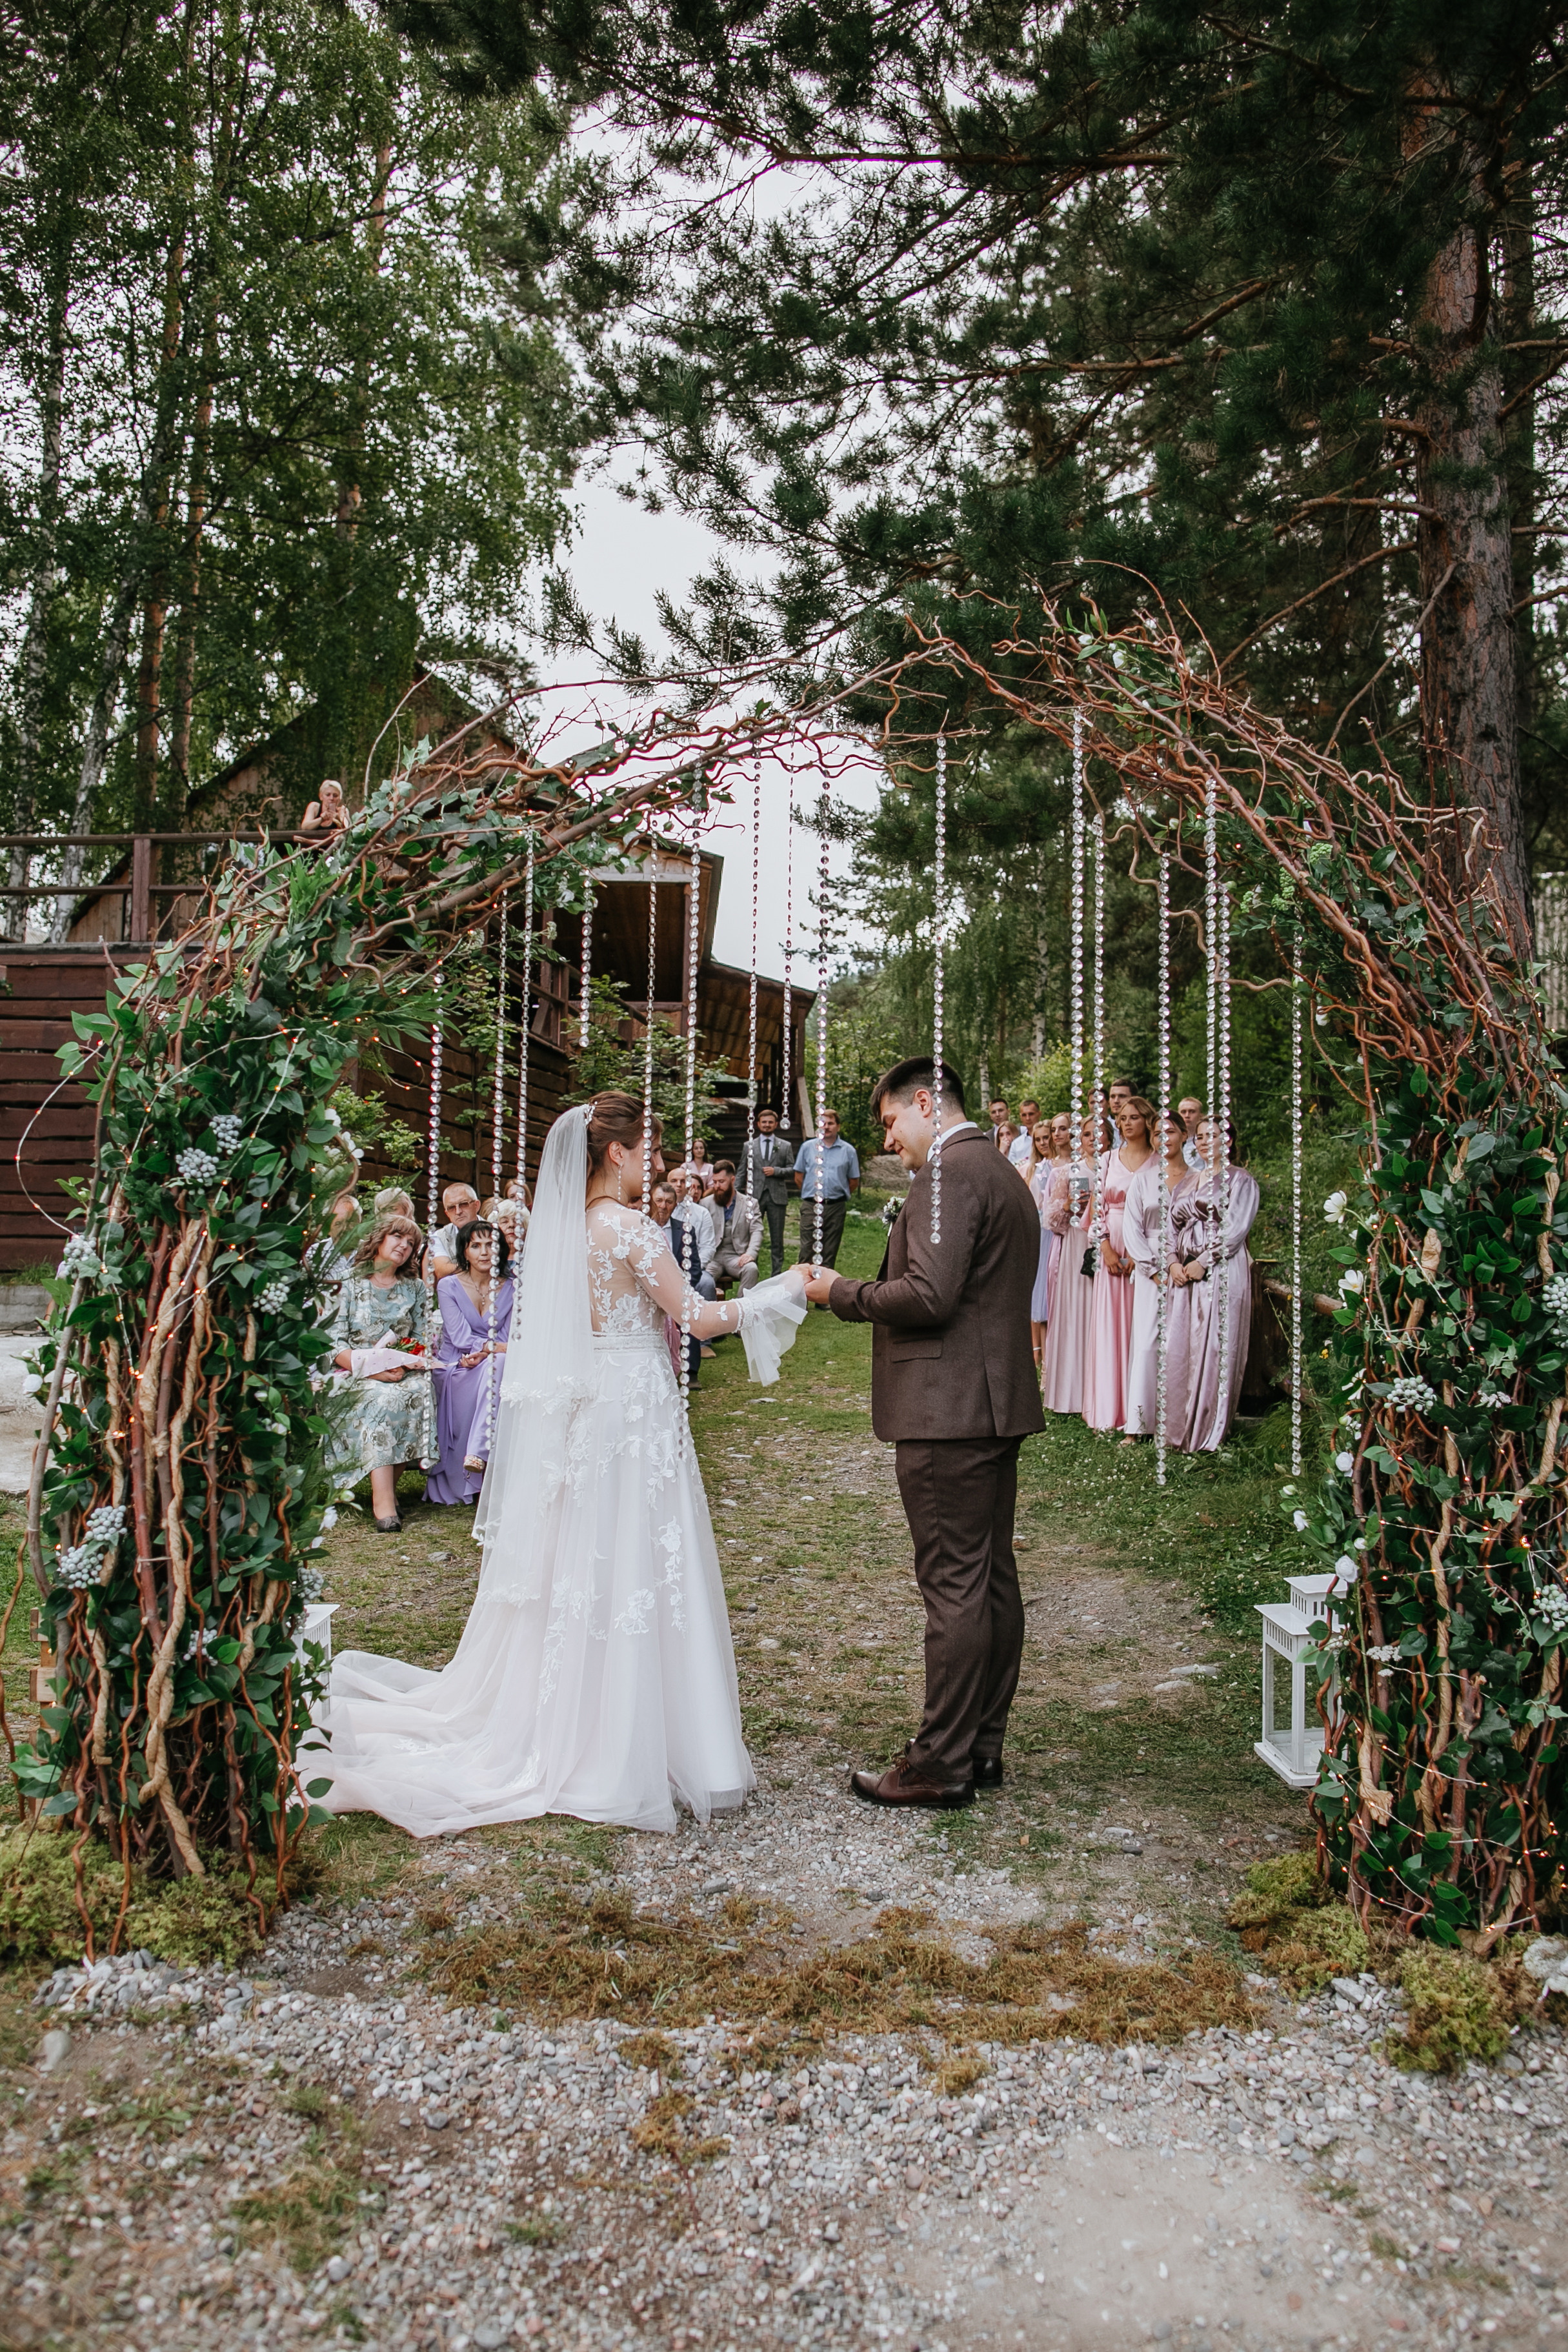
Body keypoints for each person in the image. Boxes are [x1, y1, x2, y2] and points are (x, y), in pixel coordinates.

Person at [315, 1092, 808, 1836]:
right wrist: (786, 1289)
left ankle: (587, 1717)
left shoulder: (560, 1233)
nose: (655, 1162)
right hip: (633, 1405)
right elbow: (700, 1318)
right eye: (648, 1149)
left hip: (588, 1406)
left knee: (586, 1553)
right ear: (616, 1152)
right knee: (639, 1551)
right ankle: (630, 1742)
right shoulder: (630, 1228)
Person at [802, 1058, 1044, 1809]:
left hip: (949, 1413)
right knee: (989, 1578)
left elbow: (930, 1294)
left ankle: (940, 1764)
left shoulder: (948, 1173)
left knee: (954, 1586)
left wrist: (840, 1291)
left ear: (922, 1102)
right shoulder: (998, 1170)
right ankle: (980, 1746)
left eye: (889, 1123)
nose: (888, 1140)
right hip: (988, 1405)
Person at [327, 1211, 429, 1533]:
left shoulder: (415, 1288)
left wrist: (404, 1363)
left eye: (411, 1243)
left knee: (421, 1392)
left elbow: (421, 1339)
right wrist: (371, 1371)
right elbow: (333, 1343)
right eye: (398, 1237)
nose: (404, 1245)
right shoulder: (348, 1283)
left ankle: (386, 1490)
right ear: (379, 1239)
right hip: (353, 1372)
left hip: (401, 1371)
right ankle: (383, 1503)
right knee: (382, 1399)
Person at [1167, 1117, 1260, 1452]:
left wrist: (1204, 1261)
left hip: (1221, 1268)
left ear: (1228, 1141)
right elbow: (1170, 1227)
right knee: (1181, 1348)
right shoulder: (1186, 1183)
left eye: (1214, 1135)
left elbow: (1235, 1230)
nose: (1206, 1141)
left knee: (1218, 1346)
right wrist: (1173, 1262)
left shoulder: (1241, 1181)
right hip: (1184, 1272)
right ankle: (1180, 1430)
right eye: (1201, 1136)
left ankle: (1210, 1432)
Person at [425, 1221, 513, 1505]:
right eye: (476, 1245)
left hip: (494, 1363)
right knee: (498, 1361)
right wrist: (491, 1349)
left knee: (498, 1363)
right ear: (465, 1251)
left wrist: (490, 1352)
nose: (484, 1252)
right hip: (457, 1365)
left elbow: (508, 1340)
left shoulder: (513, 1287)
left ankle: (478, 1452)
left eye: (491, 1245)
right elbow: (461, 1338)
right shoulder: (448, 1286)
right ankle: (477, 1452)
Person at [1082, 1096, 1154, 1434]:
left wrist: (1142, 1255)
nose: (1126, 1123)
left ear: (1148, 1121)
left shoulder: (1160, 1161)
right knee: (1111, 1326)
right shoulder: (1108, 1160)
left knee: (1143, 1327)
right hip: (1111, 1246)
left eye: (1134, 1117)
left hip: (1148, 1250)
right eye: (1122, 1118)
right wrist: (1106, 1249)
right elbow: (1095, 1211)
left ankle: (1140, 1409)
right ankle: (1110, 1409)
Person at [1122, 1110, 1194, 1443]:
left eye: (1170, 1132)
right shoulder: (1143, 1180)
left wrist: (1191, 1265)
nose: (1163, 1139)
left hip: (1189, 1268)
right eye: (1156, 1134)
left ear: (1184, 1135)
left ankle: (1182, 1421)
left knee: (1185, 1341)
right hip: (1150, 1267)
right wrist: (1152, 1270)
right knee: (1148, 1342)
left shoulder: (1199, 1180)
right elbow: (1132, 1228)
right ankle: (1139, 1424)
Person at [1038, 1116, 1098, 1417]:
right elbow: (1049, 1219)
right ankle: (1073, 1391)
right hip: (1076, 1244)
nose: (1094, 1139)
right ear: (1079, 1139)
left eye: (1099, 1133)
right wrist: (1067, 1204)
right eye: (1087, 1134)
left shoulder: (1113, 1168)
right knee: (1076, 1312)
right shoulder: (1067, 1172)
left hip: (1110, 1242)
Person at [793, 1109, 860, 1272]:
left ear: (838, 1126)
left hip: (835, 1208)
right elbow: (798, 1177)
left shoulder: (848, 1151)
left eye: (831, 1123)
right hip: (811, 1206)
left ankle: (824, 1289)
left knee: (829, 1253)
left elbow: (853, 1181)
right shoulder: (807, 1147)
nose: (827, 1127)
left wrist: (835, 1195)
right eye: (823, 1123)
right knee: (807, 1252)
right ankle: (803, 1287)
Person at [701, 1161, 763, 1307]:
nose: (717, 1186)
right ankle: (708, 1314)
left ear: (733, 1180)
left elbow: (757, 1230)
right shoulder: (705, 1204)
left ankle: (741, 1311)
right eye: (715, 1182)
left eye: (722, 1182)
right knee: (703, 1278)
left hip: (736, 1256)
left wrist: (751, 1253)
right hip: (713, 1257)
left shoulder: (750, 1204)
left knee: (751, 1269)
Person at [748, 1107, 796, 1276]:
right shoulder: (749, 1146)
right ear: (758, 1124)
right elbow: (742, 1172)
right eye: (764, 1122)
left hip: (777, 1197)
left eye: (770, 1122)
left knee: (777, 1239)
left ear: (776, 1124)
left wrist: (777, 1171)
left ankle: (776, 1275)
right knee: (752, 1236)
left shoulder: (785, 1146)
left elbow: (792, 1169)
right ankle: (751, 1272)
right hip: (756, 1197)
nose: (767, 1125)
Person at [1025, 1120, 1055, 1371]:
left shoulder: (1061, 1166)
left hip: (1059, 1230)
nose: (1043, 1143)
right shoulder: (1037, 1169)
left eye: (1046, 1137)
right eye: (1038, 1139)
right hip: (1043, 1230)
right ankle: (1041, 1356)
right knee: (1042, 1293)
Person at [307, 1188, 361, 1298]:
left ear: (360, 1221)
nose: (345, 1228)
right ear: (328, 1229)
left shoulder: (375, 1251)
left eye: (350, 1221)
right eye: (338, 1224)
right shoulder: (313, 1254)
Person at [430, 1183, 481, 1280]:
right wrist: (478, 1265)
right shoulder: (438, 1237)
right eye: (451, 1208)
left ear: (476, 1205)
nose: (458, 1212)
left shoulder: (494, 1231)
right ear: (447, 1214)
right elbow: (441, 1271)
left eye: (464, 1204)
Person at [1009, 1100, 1040, 1169]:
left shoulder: (1050, 1138)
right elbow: (1011, 1169)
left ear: (1039, 1114)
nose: (1028, 1118)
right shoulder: (1016, 1144)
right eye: (1024, 1115)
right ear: (1020, 1117)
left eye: (1031, 1114)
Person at [1179, 1095, 1206, 1170]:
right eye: (1183, 1112)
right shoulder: (1174, 1141)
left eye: (1192, 1112)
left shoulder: (1206, 1141)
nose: (1187, 1116)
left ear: (1200, 1116)